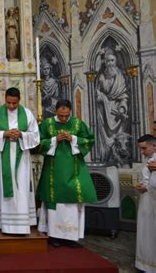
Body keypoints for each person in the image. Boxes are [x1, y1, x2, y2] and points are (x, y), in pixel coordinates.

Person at [36, 99, 97, 247]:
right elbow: (37, 143)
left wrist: (74, 139)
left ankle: (71, 237)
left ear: (70, 112)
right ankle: (54, 236)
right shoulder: (47, 124)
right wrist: (54, 140)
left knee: (72, 204)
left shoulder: (77, 124)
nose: (63, 119)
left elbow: (89, 140)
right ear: (55, 111)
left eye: (66, 115)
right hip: (53, 169)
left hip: (74, 169)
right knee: (55, 203)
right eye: (61, 115)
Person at [0, 87, 40, 234]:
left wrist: (22, 135)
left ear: (19, 100)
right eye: (8, 102)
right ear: (5, 99)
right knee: (3, 186)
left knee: (20, 187)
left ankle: (22, 224)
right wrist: (4, 134)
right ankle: (1, 222)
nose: (11, 106)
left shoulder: (27, 114)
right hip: (2, 156)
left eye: (14, 103)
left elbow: (35, 136)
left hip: (21, 157)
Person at [95, 49, 130, 161]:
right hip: (103, 112)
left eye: (112, 60)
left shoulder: (120, 76)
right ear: (104, 62)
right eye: (108, 61)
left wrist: (122, 109)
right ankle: (105, 155)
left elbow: (124, 96)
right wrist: (101, 97)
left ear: (116, 61)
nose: (110, 63)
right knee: (105, 139)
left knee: (119, 139)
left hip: (117, 113)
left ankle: (120, 157)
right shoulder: (100, 77)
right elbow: (96, 92)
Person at [135, 134, 156, 272]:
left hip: (153, 201)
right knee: (146, 232)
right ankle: (145, 264)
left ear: (154, 146)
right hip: (147, 200)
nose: (142, 152)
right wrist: (143, 185)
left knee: (152, 234)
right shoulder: (150, 159)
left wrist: (146, 187)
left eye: (144, 148)